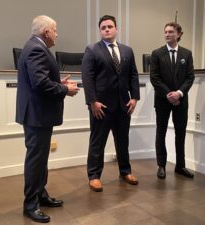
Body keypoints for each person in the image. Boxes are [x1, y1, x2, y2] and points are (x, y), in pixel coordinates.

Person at [16, 15, 79, 223]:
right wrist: (65, 89)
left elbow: (41, 79)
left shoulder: (36, 46)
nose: (57, 34)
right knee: (36, 160)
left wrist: (57, 81)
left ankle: (40, 195)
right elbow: (40, 84)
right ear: (46, 32)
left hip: (38, 114)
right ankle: (30, 204)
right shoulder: (36, 48)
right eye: (55, 30)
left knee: (41, 158)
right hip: (37, 115)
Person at [81, 15, 140, 192]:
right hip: (101, 107)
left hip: (124, 105)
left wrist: (135, 97)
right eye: (103, 27)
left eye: (110, 26)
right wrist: (92, 101)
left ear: (116, 29)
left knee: (123, 141)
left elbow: (133, 75)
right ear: (100, 31)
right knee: (97, 142)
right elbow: (87, 77)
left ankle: (125, 171)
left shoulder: (127, 51)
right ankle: (94, 176)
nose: (106, 29)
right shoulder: (92, 50)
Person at [150, 22, 195, 180]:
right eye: (166, 32)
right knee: (160, 132)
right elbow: (154, 78)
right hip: (163, 100)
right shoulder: (156, 54)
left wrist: (179, 94)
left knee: (180, 133)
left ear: (179, 34)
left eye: (171, 32)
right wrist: (170, 95)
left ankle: (180, 166)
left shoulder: (187, 54)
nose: (167, 34)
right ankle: (161, 165)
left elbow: (190, 77)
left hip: (181, 101)